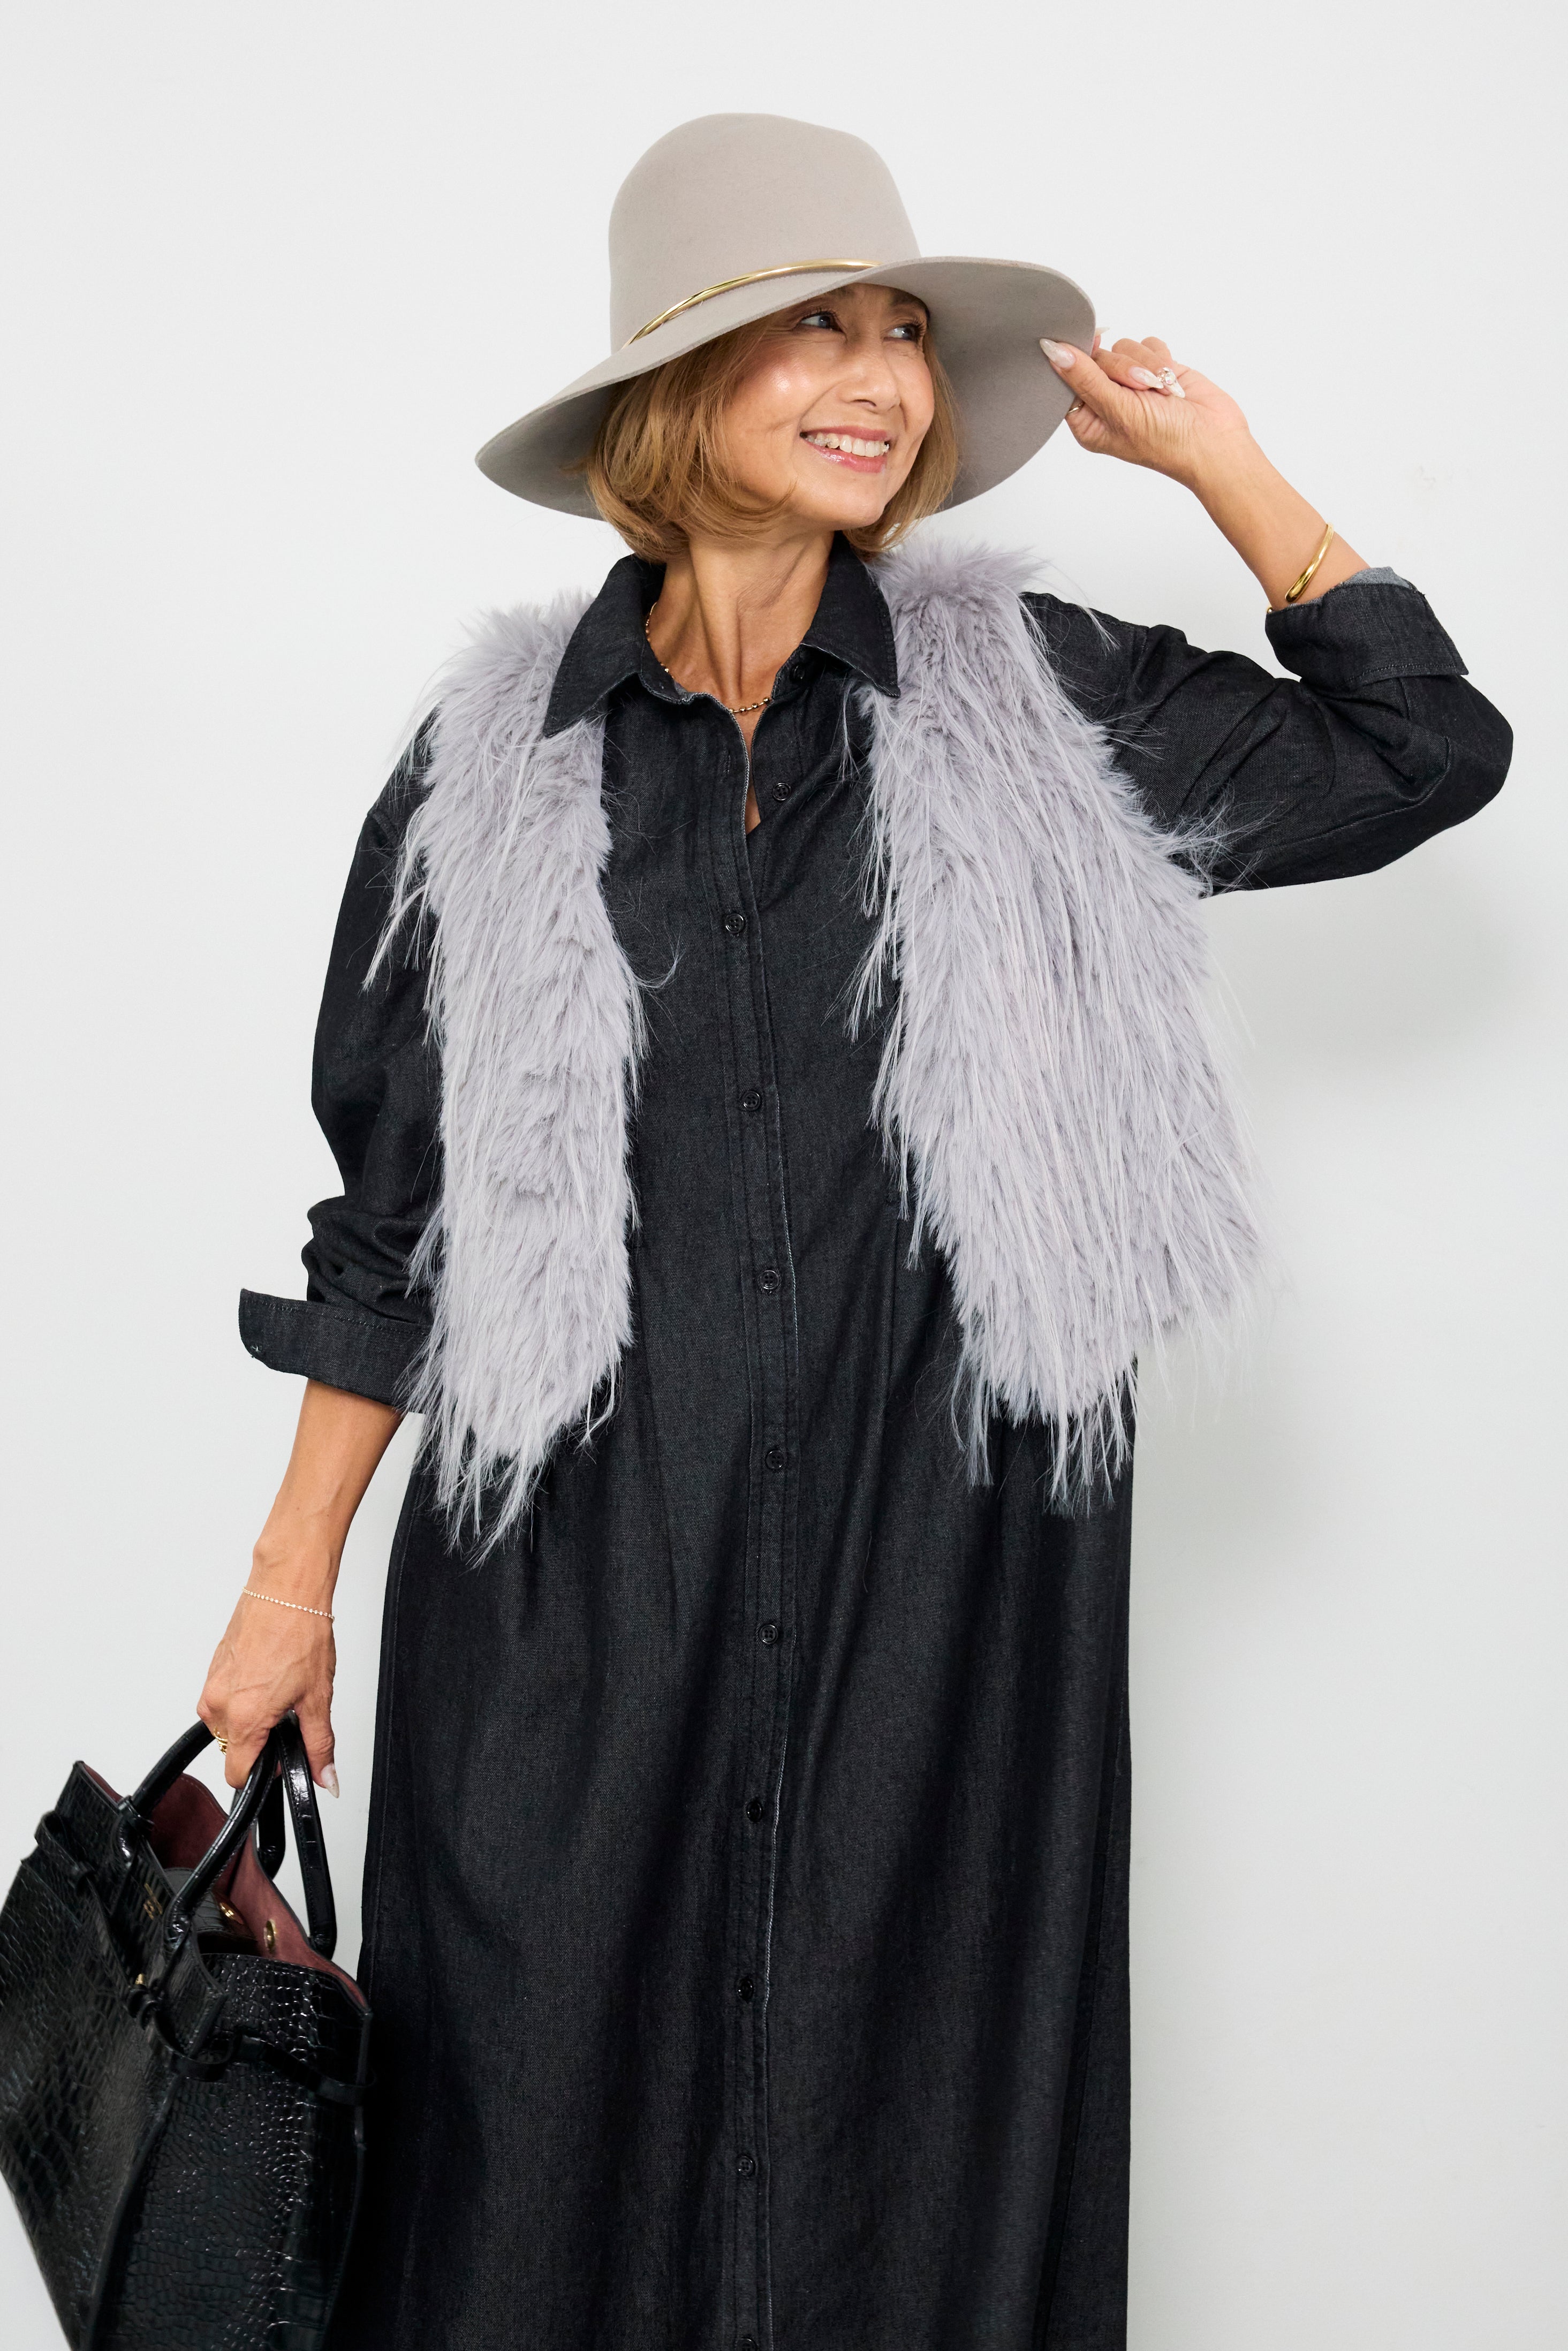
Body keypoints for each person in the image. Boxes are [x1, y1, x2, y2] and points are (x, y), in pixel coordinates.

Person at [200, 112, 1511, 2351]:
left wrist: (1223, 469)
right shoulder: (482, 777)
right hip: (577, 1595)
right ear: (668, 385)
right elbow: (392, 1223)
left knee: (920, 2158)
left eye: (902, 331)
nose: (883, 374)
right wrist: (286, 1587)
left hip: (947, 1591)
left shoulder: (1045, 707)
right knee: (525, 2157)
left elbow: (1419, 752)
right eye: (813, 324)